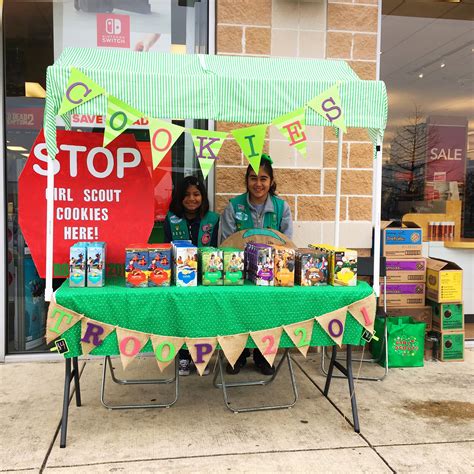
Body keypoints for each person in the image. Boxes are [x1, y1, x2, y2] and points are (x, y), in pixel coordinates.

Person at [220, 154, 293, 376]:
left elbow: (287, 246)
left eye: (263, 178)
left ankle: (264, 355)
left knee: (267, 311)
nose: (258, 184)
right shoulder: (234, 207)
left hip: (272, 275)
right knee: (237, 311)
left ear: (271, 181)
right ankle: (237, 355)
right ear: (246, 180)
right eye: (253, 178)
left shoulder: (282, 208)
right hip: (239, 274)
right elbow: (225, 245)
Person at [164, 175, 219, 376]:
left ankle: (200, 355)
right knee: (182, 317)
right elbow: (166, 248)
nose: (192, 199)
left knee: (201, 317)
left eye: (196, 194)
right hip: (180, 280)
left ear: (203, 197)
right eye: (186, 195)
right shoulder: (171, 219)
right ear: (179, 197)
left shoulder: (213, 219)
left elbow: (216, 248)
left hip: (204, 279)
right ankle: (184, 356)